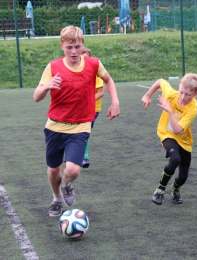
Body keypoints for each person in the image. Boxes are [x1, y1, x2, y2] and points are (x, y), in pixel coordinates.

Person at [33, 26, 120, 217]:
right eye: (70, 47)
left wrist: (115, 102)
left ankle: (66, 184)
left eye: (78, 47)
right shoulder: (53, 67)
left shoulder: (94, 64)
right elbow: (36, 97)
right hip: (55, 126)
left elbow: (108, 80)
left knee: (72, 170)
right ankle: (56, 198)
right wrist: (47, 86)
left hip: (80, 126)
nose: (74, 51)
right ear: (62, 45)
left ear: (83, 46)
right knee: (54, 168)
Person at [141, 73, 197, 205]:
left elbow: (178, 130)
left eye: (188, 95)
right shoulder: (171, 94)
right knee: (175, 158)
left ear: (195, 94)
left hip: (183, 140)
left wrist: (169, 111)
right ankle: (160, 190)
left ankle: (175, 189)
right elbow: (160, 80)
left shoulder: (194, 108)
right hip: (166, 133)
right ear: (179, 87)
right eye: (181, 92)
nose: (183, 97)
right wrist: (148, 95)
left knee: (183, 177)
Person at [81, 47, 104, 169]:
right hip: (79, 108)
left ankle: (84, 157)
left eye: (86, 58)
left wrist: (86, 101)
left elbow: (101, 92)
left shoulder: (96, 74)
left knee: (85, 132)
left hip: (93, 109)